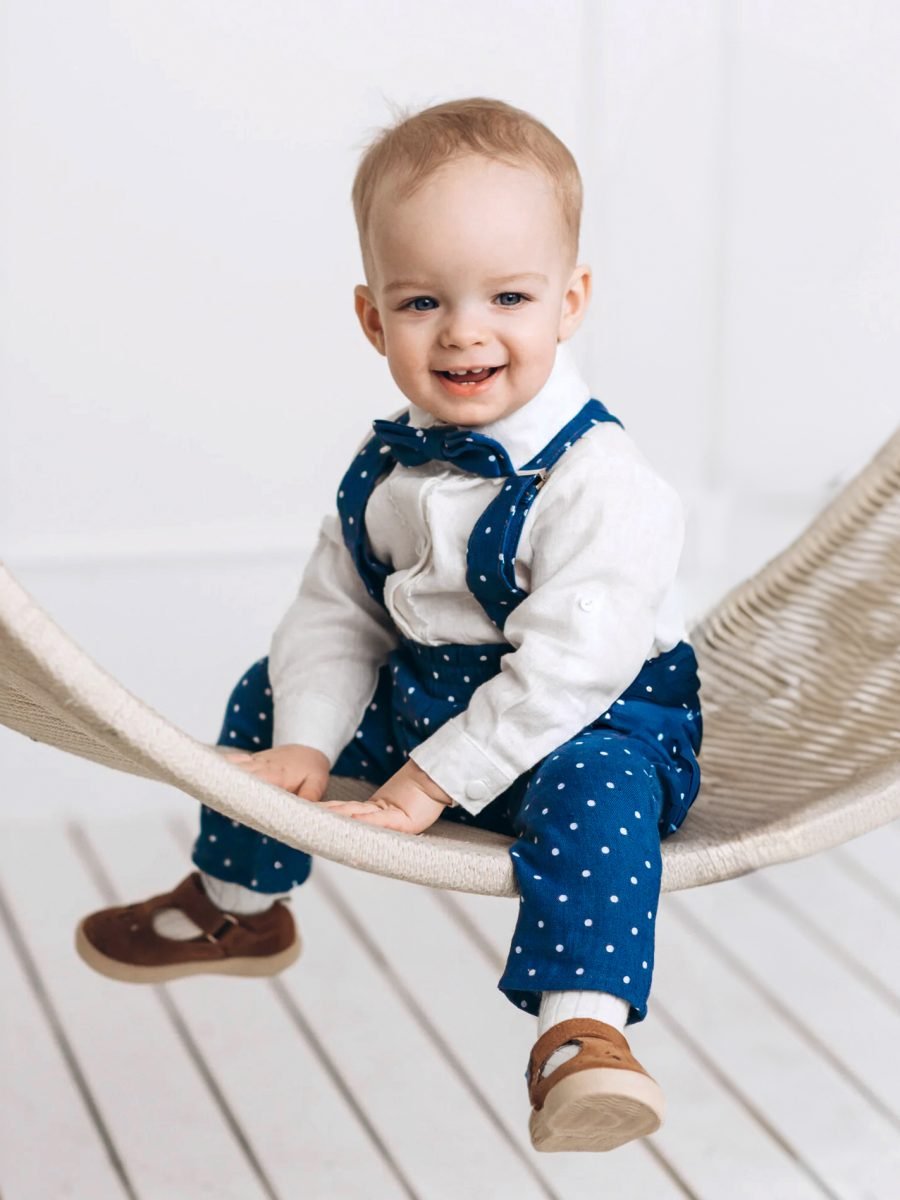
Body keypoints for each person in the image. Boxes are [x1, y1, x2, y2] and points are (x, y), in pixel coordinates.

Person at [76, 96, 703, 1154]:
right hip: (427, 702)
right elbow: (337, 615)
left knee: (603, 799)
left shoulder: (605, 485)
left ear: (571, 301)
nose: (465, 330)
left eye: (509, 294)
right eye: (422, 301)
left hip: (586, 723)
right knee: (273, 685)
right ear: (372, 319)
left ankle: (581, 1038)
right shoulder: (387, 466)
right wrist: (310, 745)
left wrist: (424, 787)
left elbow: (570, 670)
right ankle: (239, 901)